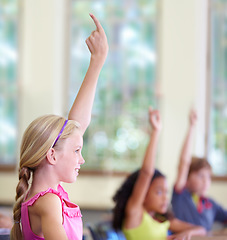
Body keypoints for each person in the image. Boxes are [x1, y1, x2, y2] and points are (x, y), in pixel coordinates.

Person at [10, 13, 108, 240]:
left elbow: (76, 126)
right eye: (76, 151)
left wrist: (97, 61)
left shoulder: (45, 195)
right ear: (51, 155)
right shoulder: (48, 202)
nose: (81, 159)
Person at [112, 107, 206, 240]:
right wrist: (156, 131)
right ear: (143, 194)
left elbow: (201, 229)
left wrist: (186, 234)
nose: (165, 198)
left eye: (166, 192)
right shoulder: (135, 214)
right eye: (159, 192)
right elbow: (146, 173)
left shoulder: (162, 220)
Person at [171, 109, 227, 232]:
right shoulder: (180, 195)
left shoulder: (210, 204)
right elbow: (184, 163)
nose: (206, 181)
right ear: (187, 178)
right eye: (201, 176)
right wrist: (192, 127)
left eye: (208, 177)